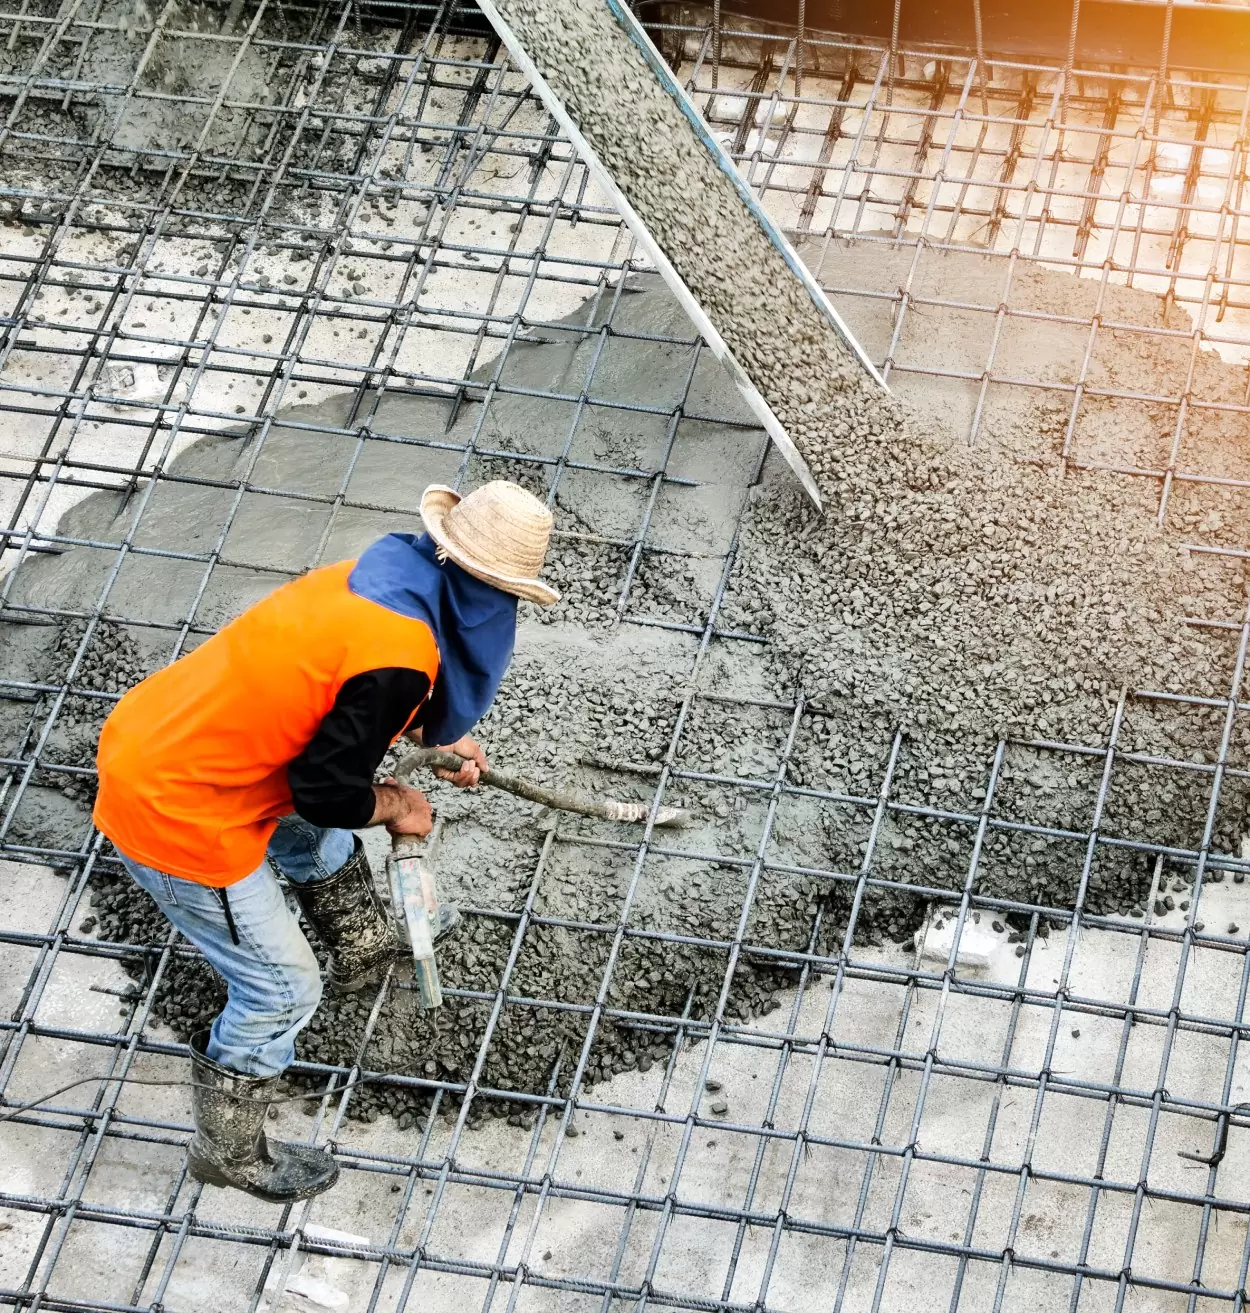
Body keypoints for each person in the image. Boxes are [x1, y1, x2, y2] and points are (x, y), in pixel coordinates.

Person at [92, 480, 559, 1203]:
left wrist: (434, 729)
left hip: (175, 733)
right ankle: (231, 1150)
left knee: (316, 837)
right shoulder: (401, 655)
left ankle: (363, 946)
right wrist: (401, 804)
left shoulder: (380, 576)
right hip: (178, 806)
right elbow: (325, 790)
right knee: (282, 988)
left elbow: (340, 699)